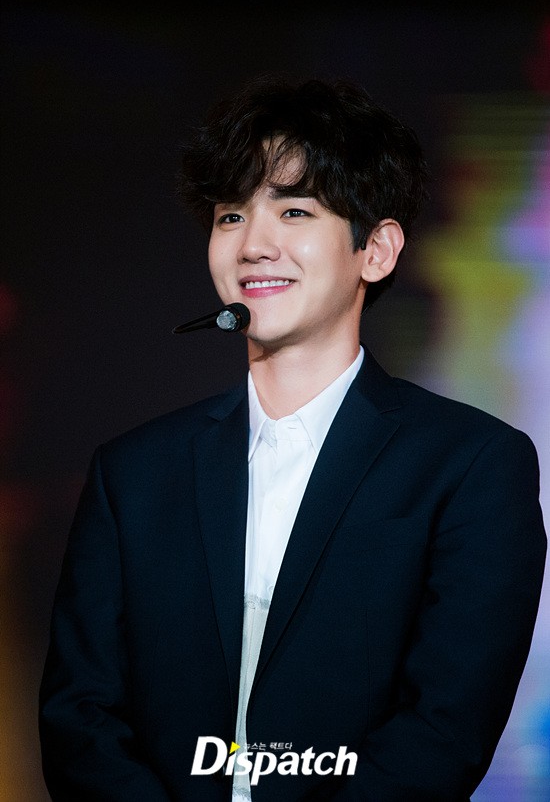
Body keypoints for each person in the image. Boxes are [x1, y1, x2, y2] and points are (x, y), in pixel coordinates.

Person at [39, 74, 547, 802]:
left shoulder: (470, 465)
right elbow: (78, 718)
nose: (253, 244)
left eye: (295, 210)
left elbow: (444, 729)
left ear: (377, 250)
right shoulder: (133, 474)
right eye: (230, 216)